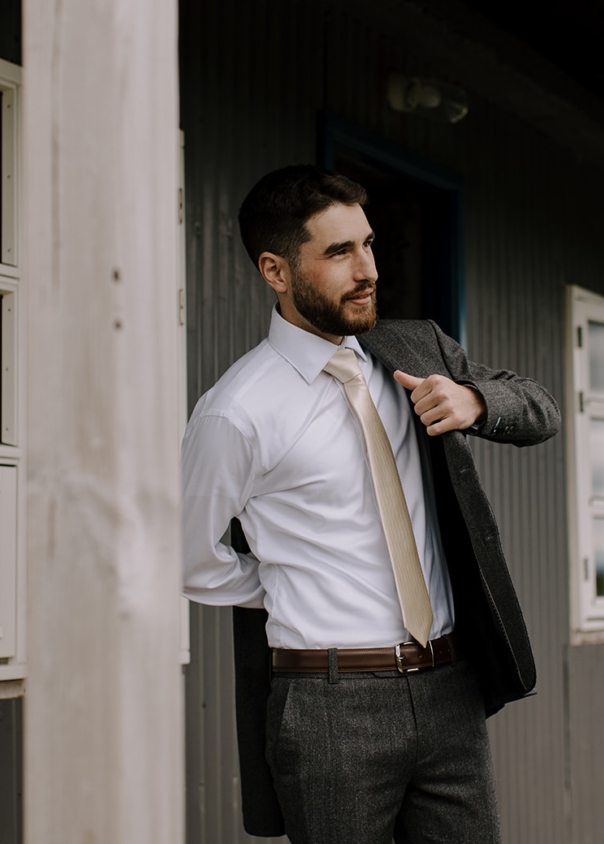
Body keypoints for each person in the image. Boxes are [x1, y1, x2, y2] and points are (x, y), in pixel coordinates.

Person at [182, 165, 559, 843]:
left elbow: (540, 409)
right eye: (338, 252)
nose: (367, 269)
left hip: (451, 688)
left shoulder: (414, 347)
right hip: (331, 708)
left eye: (368, 243)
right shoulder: (235, 412)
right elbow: (188, 558)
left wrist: (476, 401)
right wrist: (284, 578)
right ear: (275, 269)